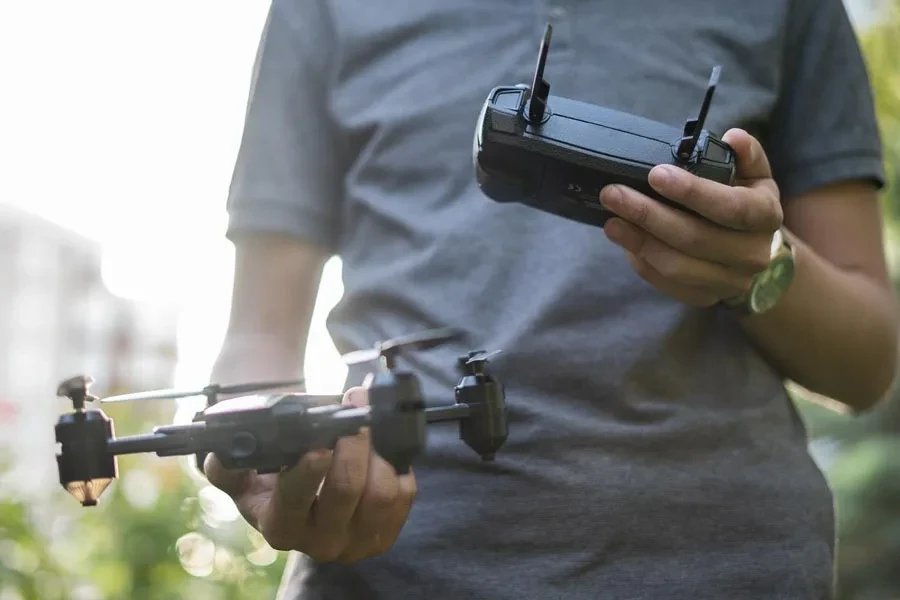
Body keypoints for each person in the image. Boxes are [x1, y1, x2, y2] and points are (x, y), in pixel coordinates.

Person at [205, 0, 899, 598]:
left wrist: (760, 268)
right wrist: (265, 464)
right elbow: (258, 339)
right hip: (389, 572)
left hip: (723, 564)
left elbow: (867, 363)